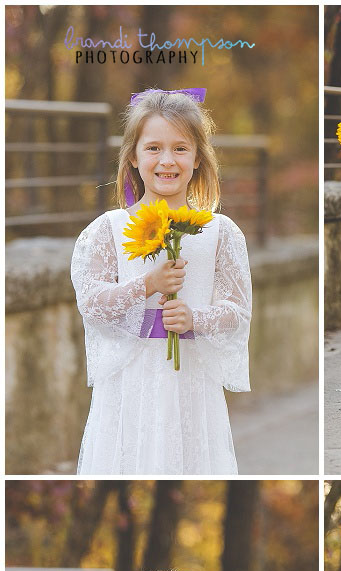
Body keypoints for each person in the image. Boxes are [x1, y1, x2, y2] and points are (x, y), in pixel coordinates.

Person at [71, 88, 252, 473]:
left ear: (198, 158)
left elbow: (237, 310)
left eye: (180, 149)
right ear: (134, 157)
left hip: (190, 379)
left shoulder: (221, 232)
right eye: (153, 148)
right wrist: (146, 285)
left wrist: (195, 319)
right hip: (130, 382)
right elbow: (91, 302)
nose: (166, 161)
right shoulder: (108, 229)